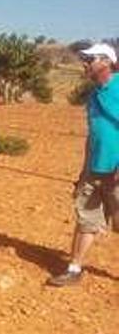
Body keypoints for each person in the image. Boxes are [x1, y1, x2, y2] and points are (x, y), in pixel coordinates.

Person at [47, 43, 118, 287]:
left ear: (107, 62)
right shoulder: (93, 96)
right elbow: (93, 135)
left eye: (90, 59)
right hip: (95, 169)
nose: (85, 63)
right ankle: (74, 268)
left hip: (116, 171)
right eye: (84, 59)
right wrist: (83, 170)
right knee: (86, 219)